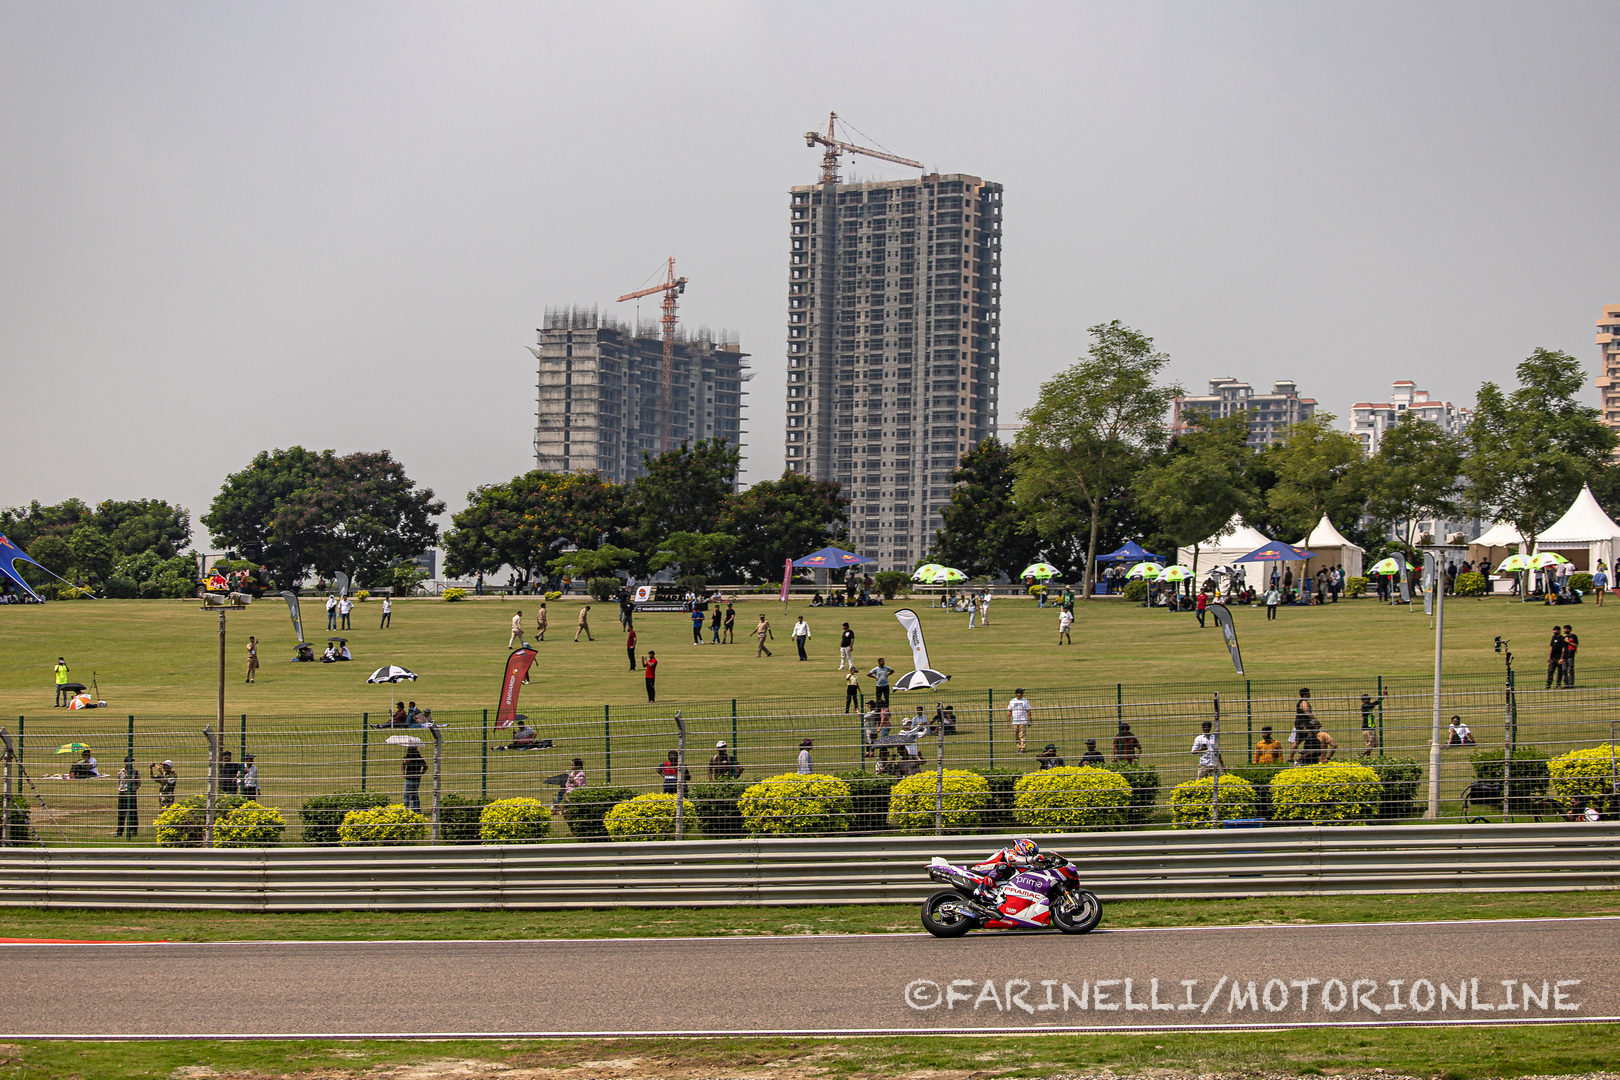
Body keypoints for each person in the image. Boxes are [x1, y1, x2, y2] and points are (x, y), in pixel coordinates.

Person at [969, 837, 1045, 901]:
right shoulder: (1009, 851)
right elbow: (1012, 859)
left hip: (995, 876)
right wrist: (1031, 859)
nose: (1033, 854)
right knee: (1004, 866)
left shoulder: (1023, 863)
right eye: (1033, 852)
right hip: (981, 869)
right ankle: (982, 888)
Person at [115, 758, 141, 838]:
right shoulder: (120, 772)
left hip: (131, 793)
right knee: (121, 813)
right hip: (123, 793)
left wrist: (133, 786)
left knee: (133, 812)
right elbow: (119, 782)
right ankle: (120, 831)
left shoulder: (135, 772)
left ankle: (134, 830)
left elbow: (138, 784)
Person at [1006, 687, 1032, 753]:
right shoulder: (1012, 701)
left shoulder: (1025, 701)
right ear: (1017, 694)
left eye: (1022, 693)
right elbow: (1009, 711)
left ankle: (1023, 748)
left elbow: (1028, 710)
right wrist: (1008, 720)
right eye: (1020, 693)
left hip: (1023, 720)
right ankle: (1018, 747)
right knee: (1016, 735)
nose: (1022, 694)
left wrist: (1029, 720)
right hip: (1015, 720)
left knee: (1022, 734)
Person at [1359, 693, 1385, 757]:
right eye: (1367, 699)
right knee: (1371, 744)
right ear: (1363, 700)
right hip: (1367, 728)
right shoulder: (1365, 707)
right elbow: (1374, 703)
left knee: (1374, 744)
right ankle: (1362, 754)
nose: (1368, 700)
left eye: (1369, 699)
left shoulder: (1368, 706)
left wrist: (1383, 697)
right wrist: (1382, 697)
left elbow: (1374, 704)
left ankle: (1367, 757)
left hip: (1371, 728)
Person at [401, 747, 427, 811]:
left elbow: (404, 764)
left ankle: (406, 808)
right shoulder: (419, 757)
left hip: (410, 778)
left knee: (407, 794)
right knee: (414, 794)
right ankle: (416, 810)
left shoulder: (411, 757)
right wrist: (421, 774)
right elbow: (425, 766)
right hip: (416, 778)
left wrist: (403, 773)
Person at [1562, 624, 1578, 688]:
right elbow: (1563, 648)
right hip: (1564, 656)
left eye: (1565, 629)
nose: (1564, 630)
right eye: (1564, 629)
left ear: (1569, 630)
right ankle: (1566, 684)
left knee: (1571, 669)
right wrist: (1561, 657)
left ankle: (1571, 684)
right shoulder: (1564, 638)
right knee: (1564, 670)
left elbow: (1576, 645)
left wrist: (1568, 642)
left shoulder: (1573, 636)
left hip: (1570, 655)